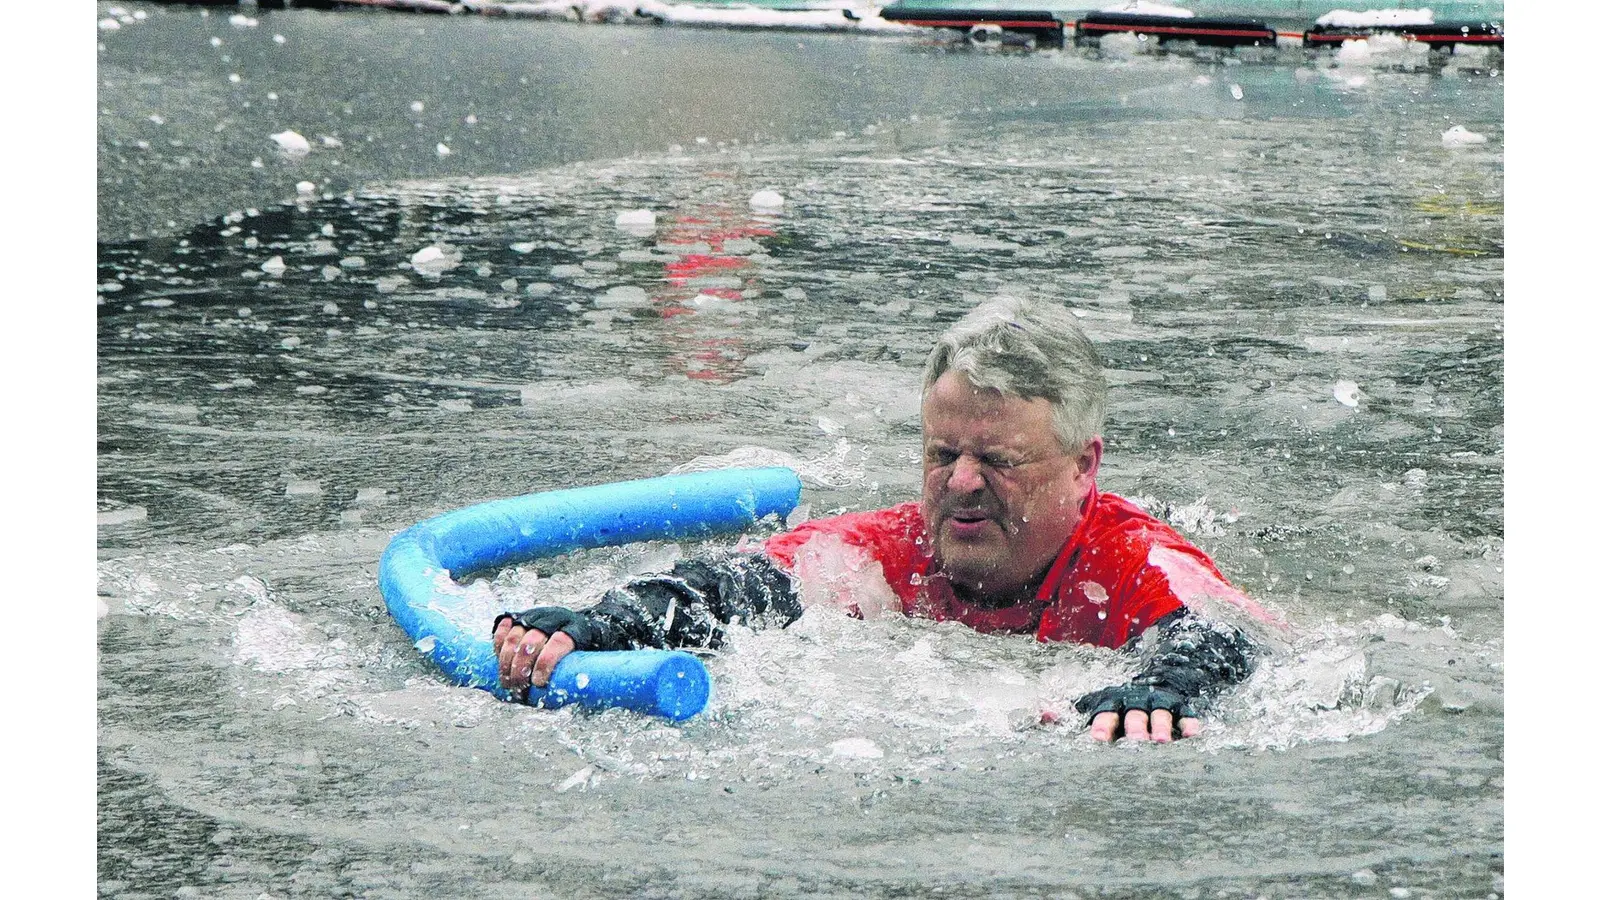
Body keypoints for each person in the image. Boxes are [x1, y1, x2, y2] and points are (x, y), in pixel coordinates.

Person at [493, 297, 1263, 743]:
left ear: (1083, 467)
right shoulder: (885, 554)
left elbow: (1228, 639)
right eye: (942, 453)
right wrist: (606, 623)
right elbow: (732, 588)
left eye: (996, 460)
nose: (960, 484)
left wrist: (1165, 689)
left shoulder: (1134, 561)